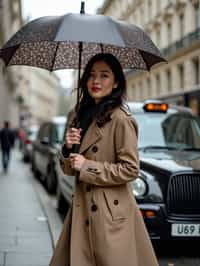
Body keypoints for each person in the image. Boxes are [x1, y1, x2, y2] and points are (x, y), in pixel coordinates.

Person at [49, 53, 158, 266]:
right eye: (91, 75)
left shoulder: (121, 119)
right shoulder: (78, 115)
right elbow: (70, 170)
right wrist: (68, 147)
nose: (96, 81)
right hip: (82, 210)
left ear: (116, 82)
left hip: (111, 216)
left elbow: (130, 169)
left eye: (104, 75)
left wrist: (87, 166)